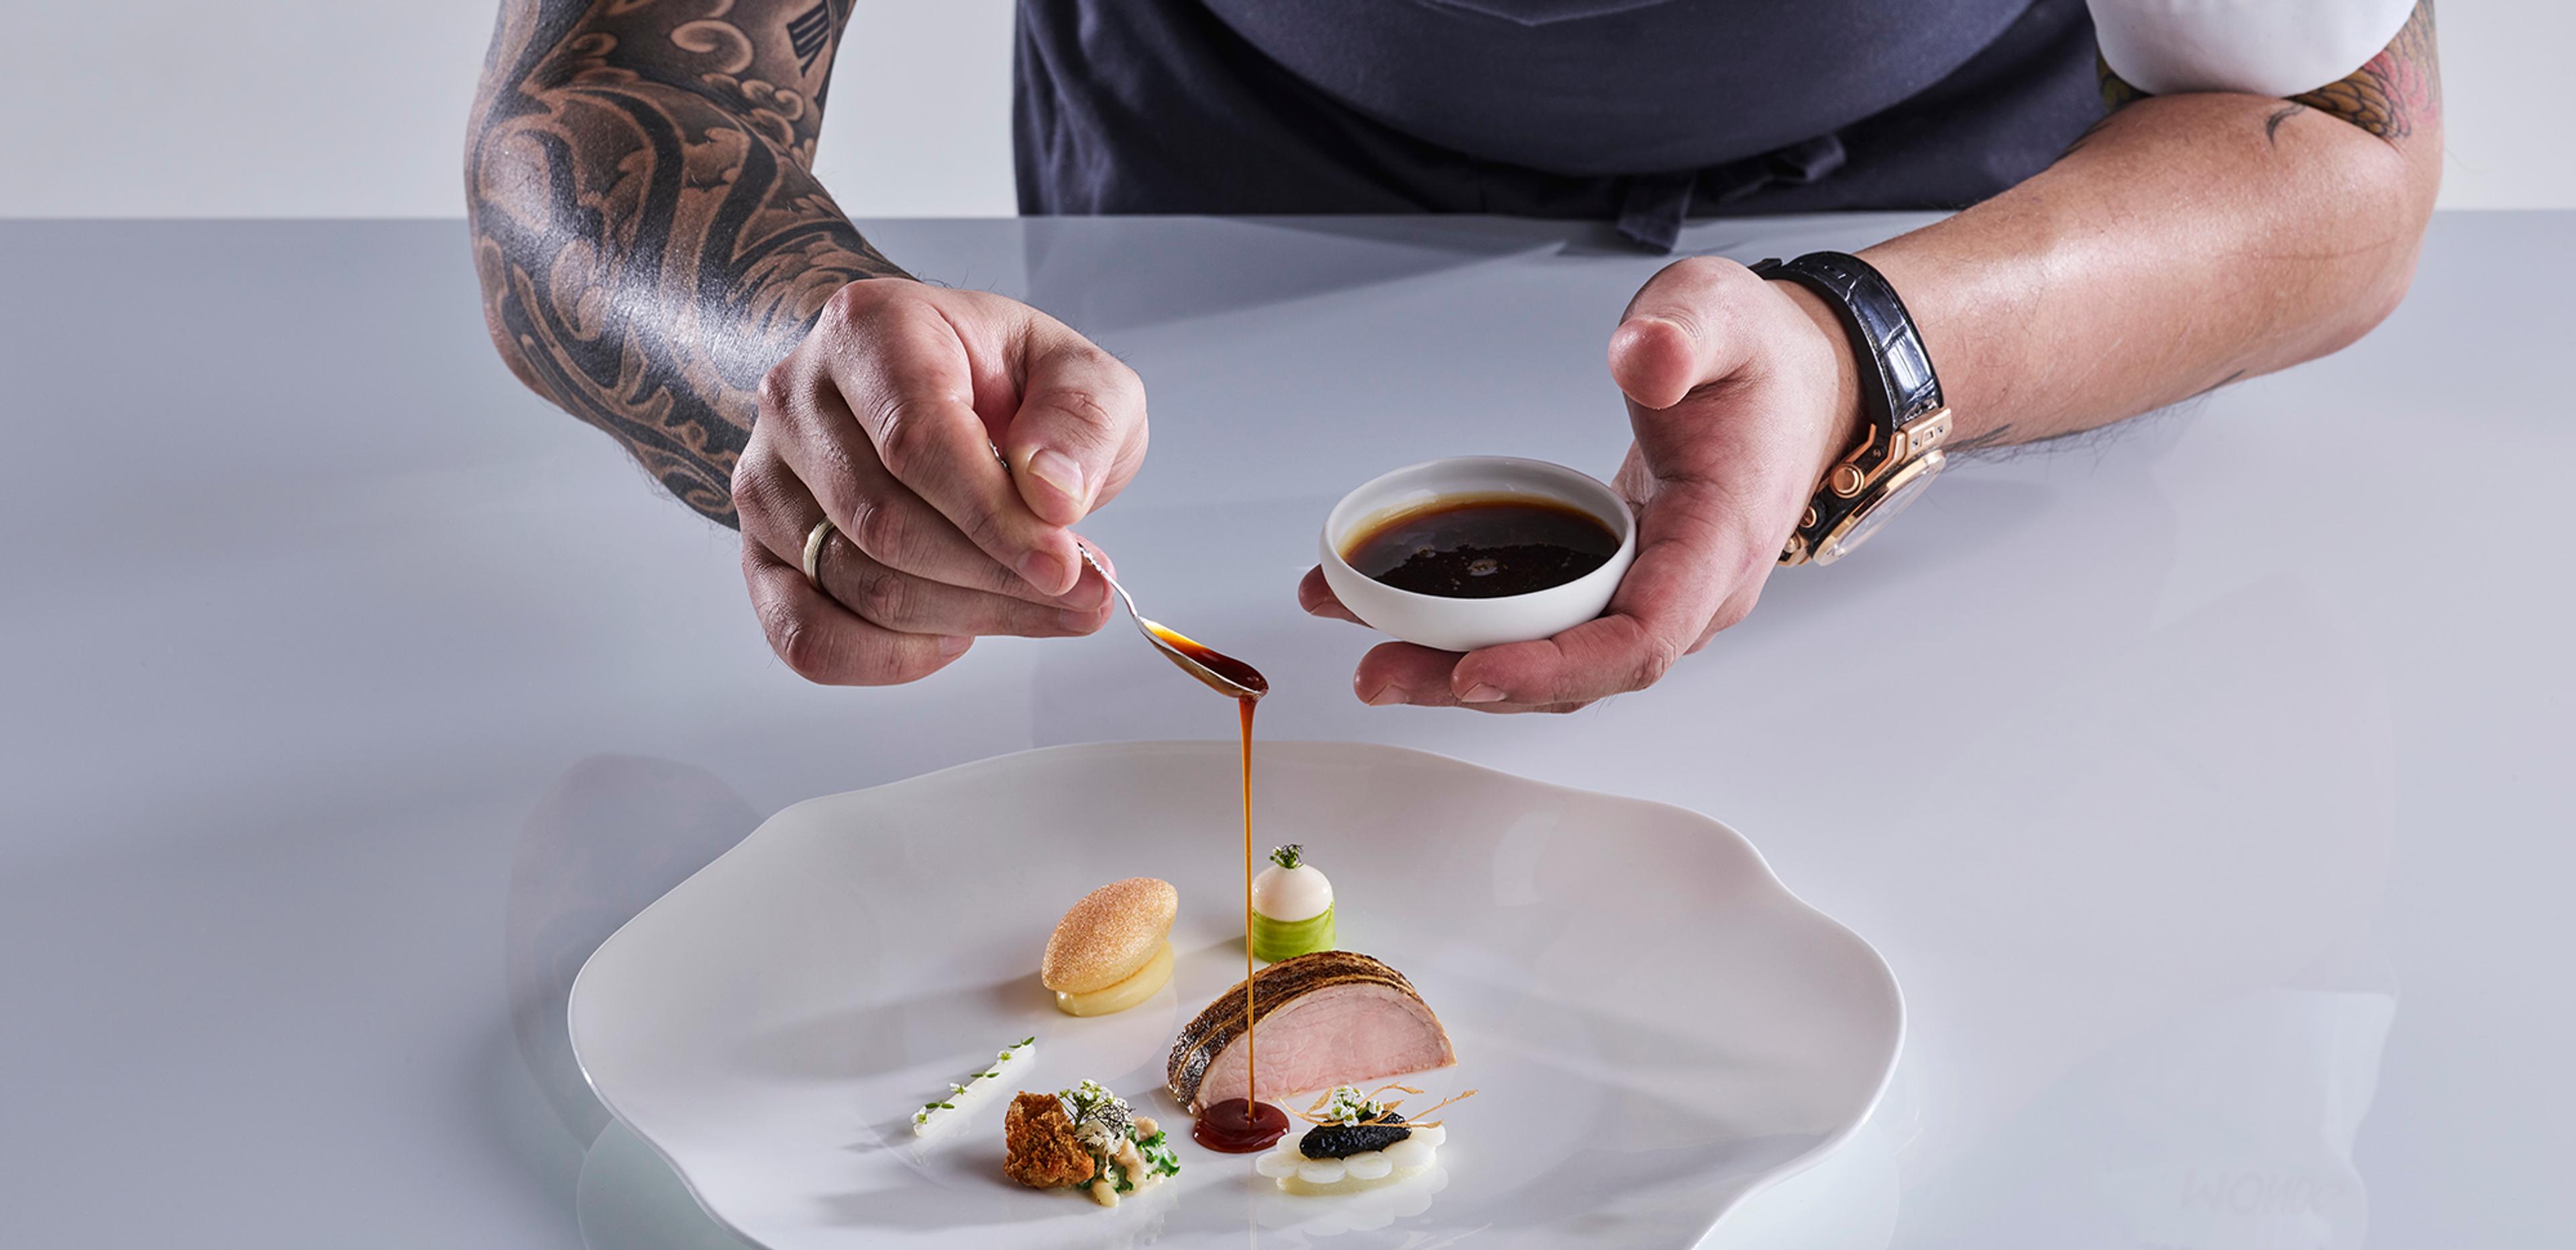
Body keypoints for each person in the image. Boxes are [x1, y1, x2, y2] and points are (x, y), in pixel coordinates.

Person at [467, 0, 2439, 713]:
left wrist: (1874, 348)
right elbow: (595, 119)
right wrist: (817, 378)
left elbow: (2340, 157)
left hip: (2000, 266)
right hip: (1210, 220)